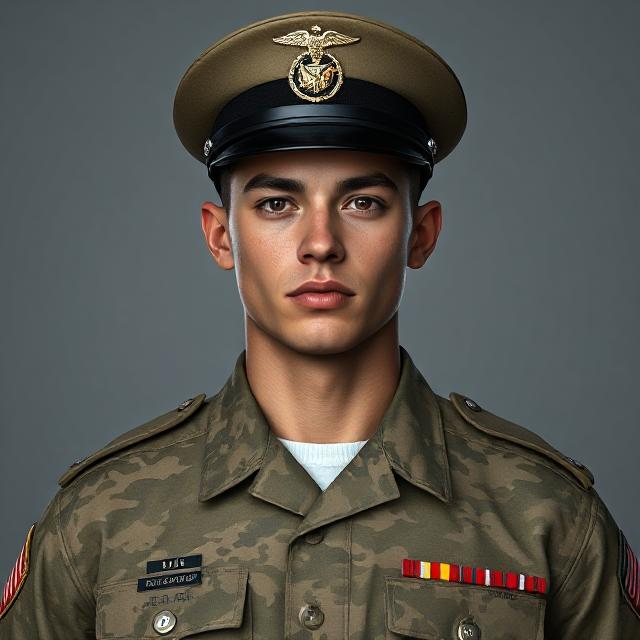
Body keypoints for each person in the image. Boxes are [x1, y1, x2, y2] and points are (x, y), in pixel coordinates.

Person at [1, 10, 638, 639]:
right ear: (222, 237)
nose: (320, 243)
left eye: (364, 202)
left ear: (421, 234)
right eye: (277, 203)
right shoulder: (102, 515)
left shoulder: (544, 514)